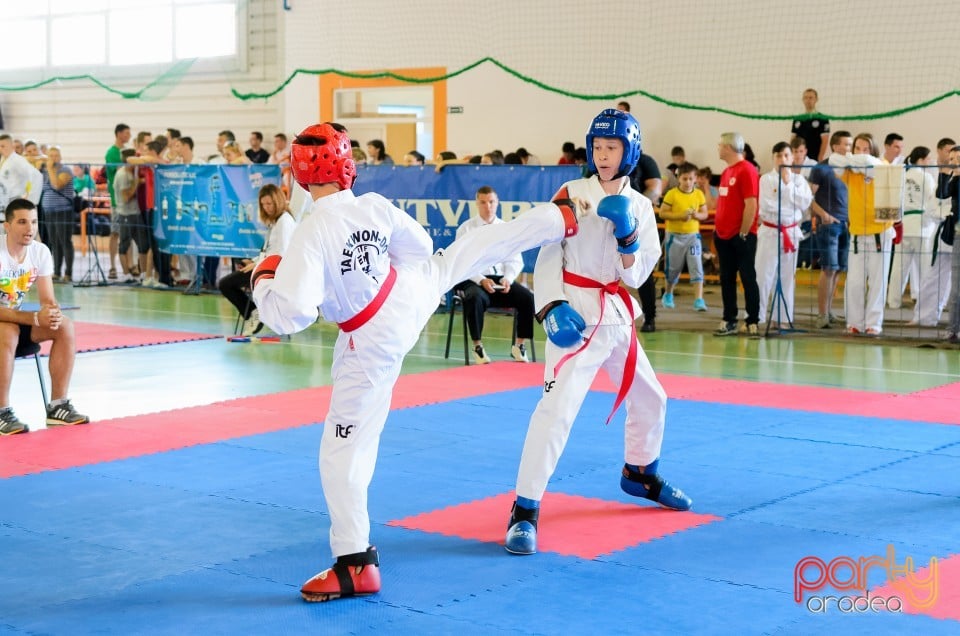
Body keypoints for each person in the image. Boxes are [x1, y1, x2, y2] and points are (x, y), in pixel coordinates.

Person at [251, 122, 584, 602]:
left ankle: (354, 563)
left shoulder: (310, 230)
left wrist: (266, 276)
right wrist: (370, 274)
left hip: (369, 340)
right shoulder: (374, 205)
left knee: (342, 450)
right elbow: (421, 249)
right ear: (348, 166)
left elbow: (291, 314)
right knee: (467, 252)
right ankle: (558, 219)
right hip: (405, 296)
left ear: (300, 177)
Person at [503, 108, 691, 557]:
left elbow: (638, 274)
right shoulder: (571, 192)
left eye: (613, 148)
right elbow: (550, 252)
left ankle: (640, 473)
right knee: (556, 410)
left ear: (631, 153)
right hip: (575, 312)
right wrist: (550, 305)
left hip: (618, 315)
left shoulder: (643, 207)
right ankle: (524, 509)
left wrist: (627, 237)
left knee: (652, 398)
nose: (604, 155)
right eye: (598, 147)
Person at [0, 199, 89, 435]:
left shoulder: (40, 252)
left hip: (15, 323)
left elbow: (47, 299)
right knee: (7, 331)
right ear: (6, 226)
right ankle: (2, 412)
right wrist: (34, 319)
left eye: (33, 222)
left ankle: (58, 407)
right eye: (21, 222)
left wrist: (52, 313)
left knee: (65, 326)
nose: (29, 228)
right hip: (8, 327)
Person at [454, 186, 536, 364]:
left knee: (527, 298)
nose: (488, 206)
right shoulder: (466, 229)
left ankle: (519, 345)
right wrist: (481, 280)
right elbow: (462, 262)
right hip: (472, 278)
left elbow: (515, 260)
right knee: (474, 297)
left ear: (497, 203)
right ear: (477, 203)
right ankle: (478, 346)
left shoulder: (506, 228)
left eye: (491, 202)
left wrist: (508, 278)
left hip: (500, 280)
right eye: (483, 202)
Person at [830, 133, 893, 335]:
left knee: (877, 280)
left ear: (873, 150)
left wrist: (856, 160)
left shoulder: (881, 165)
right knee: (855, 282)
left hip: (880, 232)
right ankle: (854, 322)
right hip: (856, 231)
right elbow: (833, 160)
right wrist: (851, 160)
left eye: (866, 148)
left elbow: (869, 163)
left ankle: (874, 323)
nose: (862, 152)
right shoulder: (851, 171)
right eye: (858, 148)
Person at [219, 184, 295, 336]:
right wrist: (253, 261)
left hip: (274, 271)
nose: (266, 208)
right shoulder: (275, 221)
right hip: (265, 266)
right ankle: (256, 312)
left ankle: (256, 313)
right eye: (263, 204)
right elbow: (269, 249)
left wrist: (257, 264)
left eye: (269, 204)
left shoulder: (284, 221)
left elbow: (282, 253)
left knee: (225, 284)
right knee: (229, 279)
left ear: (278, 201)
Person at [756, 142, 813, 328]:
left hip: (790, 231)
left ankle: (781, 318)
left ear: (792, 157)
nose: (783, 159)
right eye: (779, 156)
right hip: (771, 231)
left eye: (786, 155)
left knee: (787, 277)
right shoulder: (765, 179)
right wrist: (790, 203)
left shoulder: (799, 180)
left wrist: (788, 185)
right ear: (773, 158)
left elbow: (804, 203)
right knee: (764, 275)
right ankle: (758, 317)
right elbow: (767, 206)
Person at [713, 132, 761, 337]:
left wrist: (743, 232)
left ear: (729, 147)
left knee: (748, 277)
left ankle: (752, 320)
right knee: (726, 278)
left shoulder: (747, 170)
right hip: (723, 235)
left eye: (720, 144)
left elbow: (751, 204)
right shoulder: (726, 172)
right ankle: (729, 318)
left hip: (741, 236)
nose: (718, 148)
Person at [807, 131, 851, 329]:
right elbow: (808, 197)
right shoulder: (821, 168)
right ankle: (822, 314)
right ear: (835, 146)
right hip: (828, 225)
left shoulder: (850, 168)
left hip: (846, 224)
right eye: (847, 145)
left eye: (851, 145)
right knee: (828, 269)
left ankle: (830, 311)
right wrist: (823, 215)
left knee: (839, 269)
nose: (849, 149)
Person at [888, 146, 934, 311]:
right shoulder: (926, 177)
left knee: (899, 266)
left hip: (903, 224)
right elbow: (931, 200)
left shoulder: (903, 175)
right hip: (921, 225)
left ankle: (893, 301)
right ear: (921, 160)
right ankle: (923, 302)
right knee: (924, 267)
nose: (930, 162)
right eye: (928, 159)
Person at [658, 162, 709, 311]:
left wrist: (696, 215)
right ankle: (668, 294)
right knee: (673, 268)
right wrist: (679, 216)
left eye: (691, 179)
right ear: (679, 178)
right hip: (674, 236)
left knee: (697, 266)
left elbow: (704, 213)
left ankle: (699, 299)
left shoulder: (698, 194)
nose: (688, 182)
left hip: (693, 236)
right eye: (684, 179)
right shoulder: (672, 194)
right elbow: (662, 213)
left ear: (695, 179)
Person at [38, 146, 76, 284]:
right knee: (54, 242)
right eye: (50, 155)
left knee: (64, 241)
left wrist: (49, 168)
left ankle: (68, 273)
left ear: (60, 157)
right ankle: (57, 271)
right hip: (49, 211)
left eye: (55, 155)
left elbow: (57, 185)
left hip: (63, 211)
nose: (53, 158)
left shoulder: (65, 170)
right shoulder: (44, 171)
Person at [105, 124, 131, 281]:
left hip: (129, 200)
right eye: (127, 133)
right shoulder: (112, 153)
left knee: (128, 235)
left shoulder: (127, 151)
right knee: (115, 233)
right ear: (119, 134)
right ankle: (113, 266)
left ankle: (129, 267)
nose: (129, 135)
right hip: (117, 200)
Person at [0, 134, 43, 212]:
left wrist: (29, 197)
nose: (1, 149)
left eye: (3, 146)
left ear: (11, 146)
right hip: (4, 201)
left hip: (17, 200)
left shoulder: (18, 160)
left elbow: (35, 176)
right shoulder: (3, 160)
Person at [791, 88, 830, 162]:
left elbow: (825, 140)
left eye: (811, 98)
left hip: (814, 156)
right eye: (805, 98)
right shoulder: (797, 119)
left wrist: (820, 156)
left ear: (816, 99)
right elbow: (793, 139)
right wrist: (791, 155)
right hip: (799, 157)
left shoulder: (822, 118)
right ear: (803, 100)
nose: (808, 100)